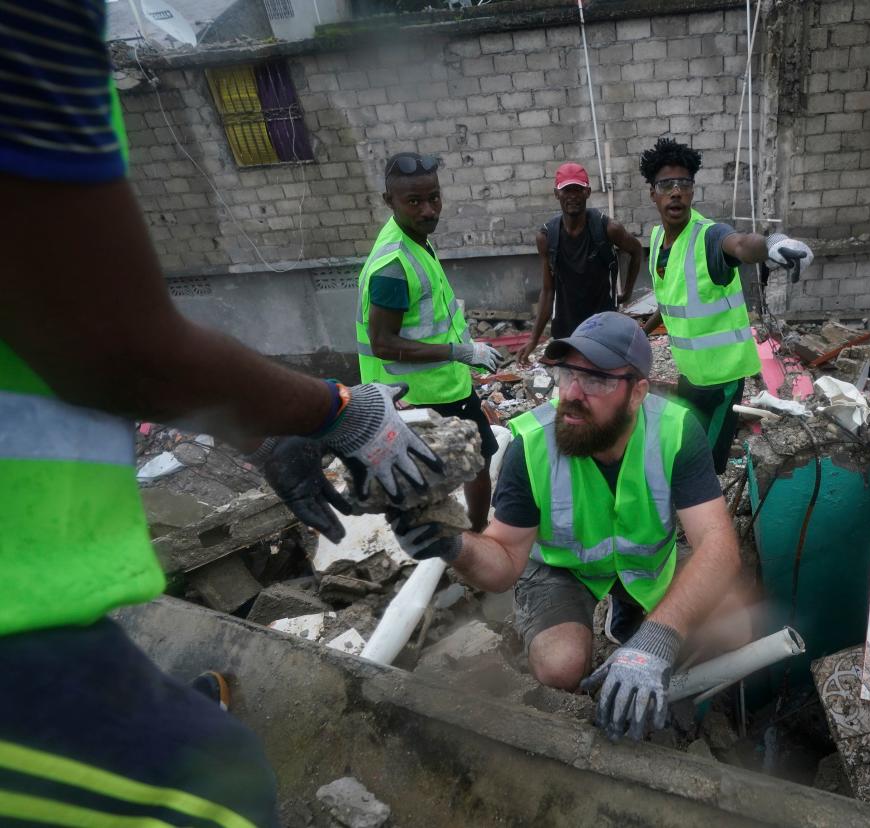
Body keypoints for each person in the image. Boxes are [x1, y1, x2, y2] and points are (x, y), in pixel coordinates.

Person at [0, 5, 442, 825]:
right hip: (15, 594)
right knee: (220, 793)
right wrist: (338, 412)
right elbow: (110, 340)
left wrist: (269, 429)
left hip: (31, 578)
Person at [389, 313, 751, 743]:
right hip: (562, 569)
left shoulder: (675, 431)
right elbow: (504, 564)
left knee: (736, 626)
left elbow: (718, 545)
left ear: (637, 393)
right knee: (560, 664)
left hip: (646, 565)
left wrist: (658, 639)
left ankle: (640, 631)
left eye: (595, 380)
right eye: (566, 374)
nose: (571, 394)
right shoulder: (533, 442)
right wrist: (452, 543)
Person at [638, 138, 814, 474]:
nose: (676, 192)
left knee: (704, 461)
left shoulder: (709, 236)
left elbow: (742, 244)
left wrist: (774, 244)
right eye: (666, 185)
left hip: (722, 380)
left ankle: (706, 518)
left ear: (692, 191)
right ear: (653, 193)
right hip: (691, 373)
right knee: (686, 444)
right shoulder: (659, 239)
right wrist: (642, 332)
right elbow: (671, 299)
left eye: (684, 184)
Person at [357, 152, 501, 531]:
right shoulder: (392, 267)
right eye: (414, 201)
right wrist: (463, 352)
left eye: (433, 197)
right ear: (389, 202)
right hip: (423, 393)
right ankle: (472, 536)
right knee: (475, 461)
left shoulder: (415, 239)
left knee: (452, 467)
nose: (428, 210)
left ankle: (465, 536)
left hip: (437, 384)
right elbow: (383, 343)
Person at [516, 162, 644, 364]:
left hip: (603, 327)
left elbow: (636, 251)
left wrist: (627, 292)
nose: (572, 196)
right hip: (566, 329)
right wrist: (533, 339)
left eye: (578, 189)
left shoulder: (608, 229)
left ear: (588, 192)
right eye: (567, 190)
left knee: (601, 380)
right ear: (557, 194)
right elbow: (548, 290)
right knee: (571, 386)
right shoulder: (547, 238)